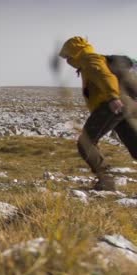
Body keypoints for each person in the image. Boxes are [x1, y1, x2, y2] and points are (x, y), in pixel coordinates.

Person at [58, 36, 137, 191]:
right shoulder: (91, 60)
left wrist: (113, 97)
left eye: (67, 55)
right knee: (134, 144)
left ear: (75, 51)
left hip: (112, 105)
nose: (67, 60)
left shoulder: (89, 59)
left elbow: (104, 76)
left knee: (85, 143)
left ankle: (106, 181)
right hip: (126, 104)